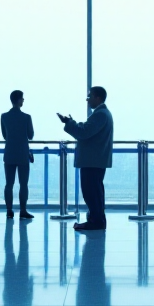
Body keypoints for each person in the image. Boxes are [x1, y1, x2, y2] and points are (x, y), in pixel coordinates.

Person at [58, 86, 114, 231]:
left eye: (90, 96)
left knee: (91, 191)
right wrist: (72, 123)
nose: (87, 99)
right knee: (95, 191)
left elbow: (84, 133)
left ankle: (95, 221)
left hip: (92, 160)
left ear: (98, 98)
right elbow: (88, 130)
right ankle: (97, 219)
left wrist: (69, 123)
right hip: (96, 160)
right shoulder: (103, 114)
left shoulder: (100, 114)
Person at [1, 90, 35, 220]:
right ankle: (23, 210)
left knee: (9, 184)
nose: (23, 101)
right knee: (23, 184)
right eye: (23, 98)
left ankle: (9, 210)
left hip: (9, 152)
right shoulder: (26, 117)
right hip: (22, 153)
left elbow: (5, 136)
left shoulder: (4, 116)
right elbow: (30, 136)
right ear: (19, 100)